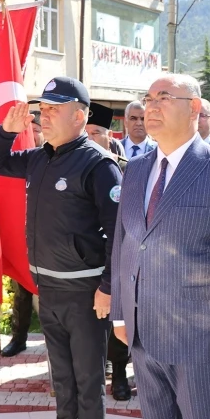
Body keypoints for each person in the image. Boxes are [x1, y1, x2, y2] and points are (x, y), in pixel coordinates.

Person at [110, 74, 210, 419]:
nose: (151, 107)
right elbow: (123, 243)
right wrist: (120, 312)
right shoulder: (136, 170)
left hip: (199, 340)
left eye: (163, 98)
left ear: (194, 107)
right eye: (147, 100)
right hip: (142, 331)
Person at [0, 77, 121, 419]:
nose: (43, 117)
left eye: (53, 109)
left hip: (85, 293)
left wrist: (108, 288)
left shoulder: (98, 164)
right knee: (61, 375)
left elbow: (119, 235)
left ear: (79, 116)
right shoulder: (39, 159)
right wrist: (6, 131)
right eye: (41, 109)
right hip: (48, 287)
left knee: (88, 379)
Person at [85, 101, 131, 400]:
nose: (90, 138)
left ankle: (120, 375)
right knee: (87, 325)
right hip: (81, 259)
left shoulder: (126, 169)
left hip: (116, 257)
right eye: (85, 132)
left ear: (109, 136)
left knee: (118, 318)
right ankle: (93, 375)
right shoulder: (67, 164)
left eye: (97, 132)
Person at [0, 112, 44, 359]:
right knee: (22, 291)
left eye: (37, 129)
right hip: (22, 235)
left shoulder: (53, 156)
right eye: (31, 129)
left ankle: (56, 342)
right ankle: (18, 337)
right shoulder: (20, 159)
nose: (34, 134)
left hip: (50, 236)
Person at [88, 102, 129, 175]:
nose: (89, 139)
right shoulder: (74, 164)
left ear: (110, 135)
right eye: (84, 134)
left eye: (95, 133)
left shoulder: (124, 167)